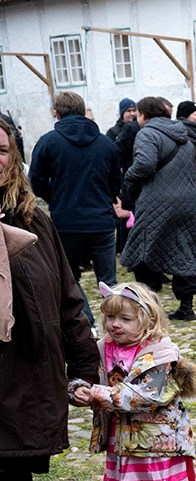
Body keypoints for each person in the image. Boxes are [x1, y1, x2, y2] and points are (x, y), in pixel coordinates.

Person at [0, 114, 100, 481]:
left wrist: (84, 364)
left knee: (15, 469)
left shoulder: (33, 216)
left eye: (0, 149)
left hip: (25, 368)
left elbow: (67, 294)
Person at [71, 282, 196, 481]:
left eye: (125, 319)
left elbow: (146, 396)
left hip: (159, 443)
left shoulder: (161, 354)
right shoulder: (102, 348)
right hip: (121, 442)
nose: (115, 325)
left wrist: (97, 394)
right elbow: (85, 376)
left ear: (148, 319)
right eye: (110, 318)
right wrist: (77, 388)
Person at [27, 91, 122, 322]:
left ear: (57, 113)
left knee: (70, 279)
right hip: (101, 221)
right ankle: (116, 322)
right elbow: (116, 182)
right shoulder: (105, 142)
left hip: (66, 222)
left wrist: (57, 199)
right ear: (82, 111)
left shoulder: (49, 141)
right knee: (108, 281)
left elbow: (36, 181)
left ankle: (87, 321)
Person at [121, 97, 196, 322]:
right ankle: (187, 307)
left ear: (144, 115)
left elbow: (145, 164)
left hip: (157, 200)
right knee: (185, 249)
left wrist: (128, 177)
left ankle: (145, 307)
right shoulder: (184, 134)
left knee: (142, 249)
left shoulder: (147, 133)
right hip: (187, 200)